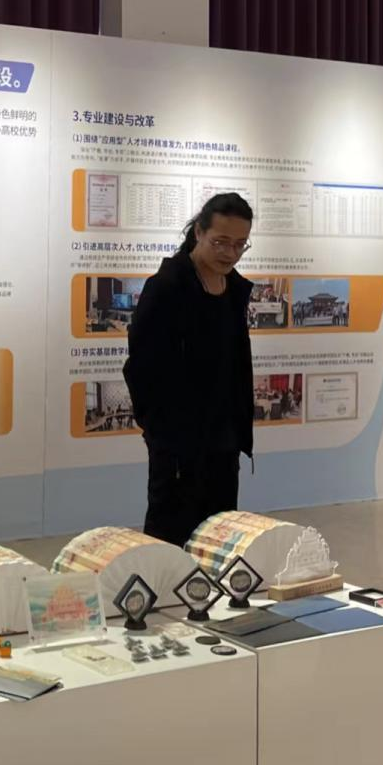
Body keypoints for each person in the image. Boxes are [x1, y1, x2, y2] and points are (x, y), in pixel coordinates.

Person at [123, 193, 255, 548]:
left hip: (223, 438)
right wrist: (160, 429)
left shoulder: (234, 290)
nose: (230, 253)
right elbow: (140, 367)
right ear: (199, 232)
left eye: (240, 244)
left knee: (219, 533)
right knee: (170, 535)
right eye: (221, 242)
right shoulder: (167, 287)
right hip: (177, 442)